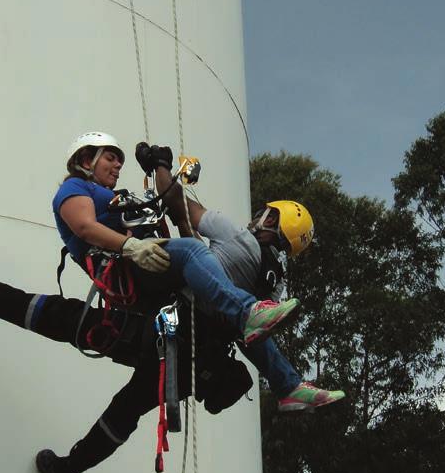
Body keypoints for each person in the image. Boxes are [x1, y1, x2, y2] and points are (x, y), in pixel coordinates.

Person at [0, 221, 253, 473]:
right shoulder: (261, 286)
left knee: (60, 317)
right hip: (178, 360)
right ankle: (66, 472)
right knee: (125, 410)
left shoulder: (240, 254)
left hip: (161, 338)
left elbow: (189, 220)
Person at [133, 141, 345, 412]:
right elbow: (207, 265)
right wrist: (182, 222)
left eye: (262, 214)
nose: (255, 218)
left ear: (270, 221)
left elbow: (174, 200)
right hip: (207, 348)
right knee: (254, 331)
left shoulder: (236, 235)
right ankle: (289, 387)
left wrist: (160, 165)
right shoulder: (275, 285)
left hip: (179, 315)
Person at [53, 131, 299, 346]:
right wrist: (130, 244)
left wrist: (160, 170)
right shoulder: (75, 187)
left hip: (153, 266)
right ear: (86, 160)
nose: (118, 165)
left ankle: (276, 363)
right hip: (130, 267)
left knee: (251, 327)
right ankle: (284, 374)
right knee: (194, 253)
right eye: (111, 158)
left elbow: (179, 210)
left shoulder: (110, 196)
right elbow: (85, 226)